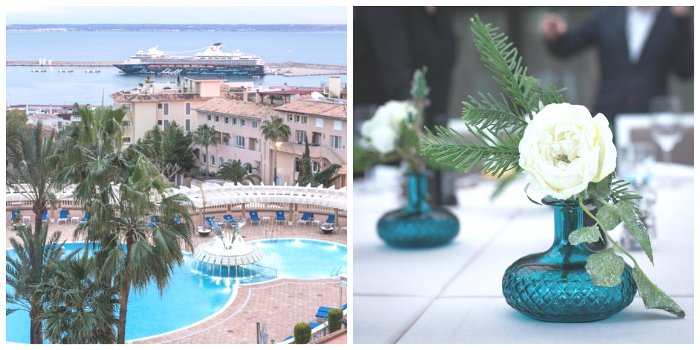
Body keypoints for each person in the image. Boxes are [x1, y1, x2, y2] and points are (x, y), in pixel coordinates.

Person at [354, 6, 458, 205]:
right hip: (375, 141)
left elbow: (442, 76)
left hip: (425, 134)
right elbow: (397, 70)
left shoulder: (441, 12)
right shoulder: (385, 11)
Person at [539, 6, 693, 124]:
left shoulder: (672, 19)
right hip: (608, 115)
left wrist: (682, 20)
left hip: (652, 119)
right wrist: (555, 36)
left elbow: (685, 70)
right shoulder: (607, 13)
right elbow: (567, 46)